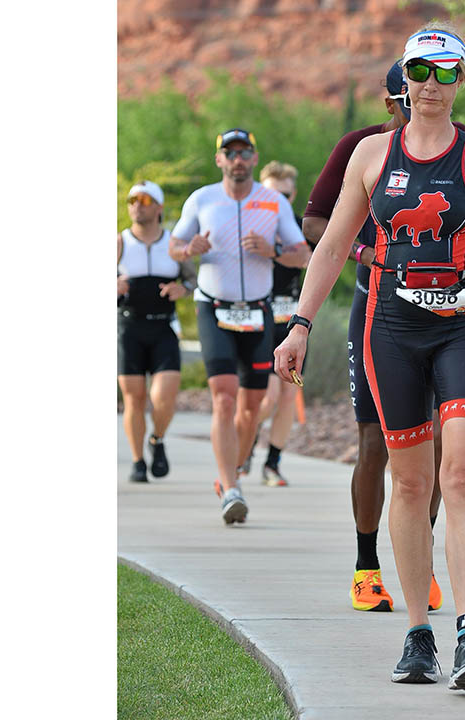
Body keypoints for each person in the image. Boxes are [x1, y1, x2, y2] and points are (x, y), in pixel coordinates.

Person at [277, 24, 465, 691]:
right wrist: (300, 325)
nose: (432, 86)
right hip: (389, 323)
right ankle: (418, 633)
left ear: (462, 81)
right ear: (403, 79)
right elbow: (331, 247)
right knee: (411, 483)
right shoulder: (369, 155)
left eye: (447, 74)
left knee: (461, 475)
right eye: (421, 71)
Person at [303, 60, 465, 614]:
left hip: (447, 313)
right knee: (377, 444)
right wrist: (366, 253)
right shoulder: (363, 147)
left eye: (433, 85)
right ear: (391, 101)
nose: (418, 104)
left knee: (447, 447)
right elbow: (315, 227)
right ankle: (365, 566)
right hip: (377, 309)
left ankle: (417, 561)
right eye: (406, 97)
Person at [170, 128, 308, 524]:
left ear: (254, 157)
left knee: (251, 408)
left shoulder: (272, 202)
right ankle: (230, 487)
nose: (237, 159)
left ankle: (235, 470)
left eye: (244, 152)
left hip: (258, 311)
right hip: (213, 308)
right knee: (225, 397)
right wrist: (189, 250)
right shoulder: (203, 200)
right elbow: (173, 246)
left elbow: (303, 254)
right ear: (220, 160)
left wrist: (274, 251)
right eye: (229, 153)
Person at [118, 181, 196, 483]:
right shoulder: (119, 243)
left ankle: (157, 439)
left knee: (164, 397)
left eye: (146, 199)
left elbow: (193, 281)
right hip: (129, 327)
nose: (138, 204)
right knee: (134, 398)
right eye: (133, 199)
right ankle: (138, 461)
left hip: (163, 326)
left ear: (159, 208)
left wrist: (182, 289)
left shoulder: (173, 246)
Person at [246, 161, 313, 486]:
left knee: (288, 395)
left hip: (292, 320)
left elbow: (308, 259)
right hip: (257, 319)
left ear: (294, 194)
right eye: (273, 195)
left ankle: (272, 463)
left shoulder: (300, 228)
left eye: (286, 196)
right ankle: (245, 446)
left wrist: (273, 251)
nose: (280, 203)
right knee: (266, 396)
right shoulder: (248, 225)